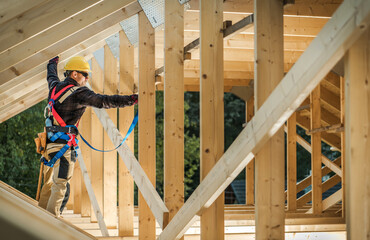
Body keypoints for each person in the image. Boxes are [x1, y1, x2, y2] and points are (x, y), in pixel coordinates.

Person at [38, 56, 138, 217]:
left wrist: (52, 63)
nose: (87, 78)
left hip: (49, 146)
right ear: (75, 74)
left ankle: (37, 219)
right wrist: (132, 100)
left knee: (49, 185)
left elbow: (51, 76)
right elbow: (104, 101)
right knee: (60, 186)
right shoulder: (79, 93)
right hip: (63, 148)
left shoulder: (55, 87)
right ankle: (49, 225)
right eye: (85, 74)